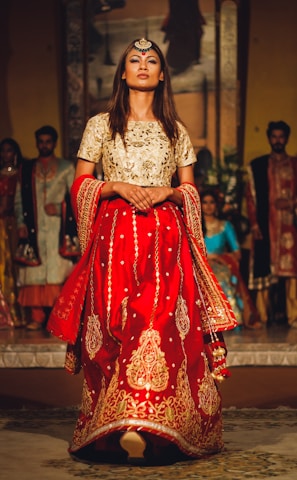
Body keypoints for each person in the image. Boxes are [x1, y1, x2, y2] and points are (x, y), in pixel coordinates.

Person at [47, 38, 237, 466]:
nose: (143, 65)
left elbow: (190, 189)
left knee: (157, 323)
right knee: (115, 327)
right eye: (134, 60)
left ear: (163, 73)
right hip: (114, 242)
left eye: (152, 60)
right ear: (123, 73)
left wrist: (169, 190)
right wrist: (113, 186)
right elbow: (80, 184)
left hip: (165, 242)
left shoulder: (176, 130)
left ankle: (150, 425)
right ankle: (115, 426)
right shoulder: (100, 125)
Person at [14, 125, 78, 331]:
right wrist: (21, 224)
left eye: (48, 141)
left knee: (58, 272)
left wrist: (61, 209)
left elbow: (75, 198)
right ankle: (36, 317)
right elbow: (18, 200)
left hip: (58, 230)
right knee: (34, 272)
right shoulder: (26, 169)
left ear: (55, 143)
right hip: (33, 227)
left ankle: (56, 318)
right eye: (40, 141)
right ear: (36, 143)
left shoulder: (66, 167)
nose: (44, 145)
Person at [246, 121, 297, 328]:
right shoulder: (258, 165)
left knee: (292, 272)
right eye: (274, 136)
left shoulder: (295, 164)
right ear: (269, 138)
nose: (278, 140)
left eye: (281, 136)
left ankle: (294, 317)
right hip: (267, 224)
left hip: (290, 227)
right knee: (263, 268)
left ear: (287, 138)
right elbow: (250, 196)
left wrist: (292, 203)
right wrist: (254, 223)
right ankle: (263, 317)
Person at [201, 189, 261, 330]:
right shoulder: (194, 224)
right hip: (199, 264)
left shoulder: (225, 225)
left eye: (212, 202)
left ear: (217, 205)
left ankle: (229, 320)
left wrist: (220, 258)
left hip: (220, 264)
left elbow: (237, 252)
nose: (208, 206)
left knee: (222, 278)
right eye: (205, 202)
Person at [0, 138, 24, 328]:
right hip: (1, 225)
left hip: (15, 223)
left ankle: (19, 313)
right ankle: (5, 313)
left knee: (17, 264)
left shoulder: (22, 174)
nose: (6, 154)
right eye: (3, 151)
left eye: (10, 151)